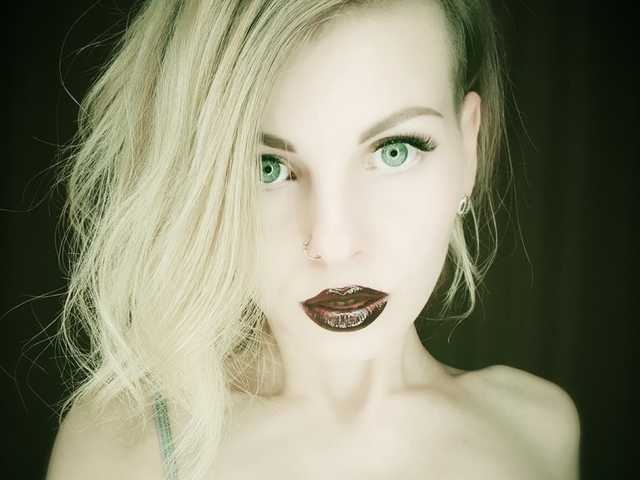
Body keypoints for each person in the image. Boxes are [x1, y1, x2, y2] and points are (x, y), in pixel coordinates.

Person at [46, 0, 580, 479]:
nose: (333, 244)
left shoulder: (537, 431)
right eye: (268, 167)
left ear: (469, 147)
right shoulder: (121, 449)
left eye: (394, 151)